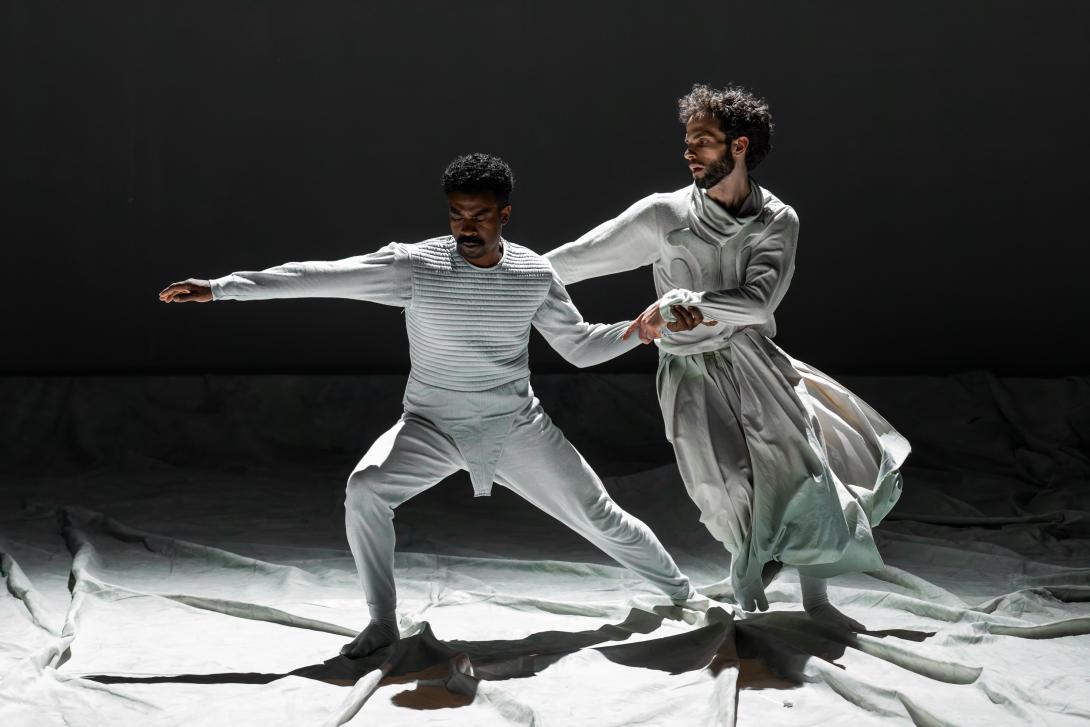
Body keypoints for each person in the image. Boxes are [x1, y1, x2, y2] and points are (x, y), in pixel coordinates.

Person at [158, 153, 706, 658]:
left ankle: (683, 593)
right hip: (431, 425)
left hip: (514, 426)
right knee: (366, 490)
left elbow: (579, 347)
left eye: (480, 216)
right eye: (457, 215)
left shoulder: (535, 274)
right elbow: (318, 276)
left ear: (504, 215)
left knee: (599, 516)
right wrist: (222, 288)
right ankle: (381, 621)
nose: (467, 227)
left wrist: (642, 329)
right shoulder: (415, 266)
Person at [545, 85, 911, 629]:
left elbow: (759, 301)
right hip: (689, 372)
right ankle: (751, 560)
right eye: (688, 141)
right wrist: (498, 276)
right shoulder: (664, 214)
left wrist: (685, 301)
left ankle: (816, 600)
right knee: (721, 488)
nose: (689, 152)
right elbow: (572, 260)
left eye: (703, 141)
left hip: (754, 361)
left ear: (738, 146)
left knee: (803, 472)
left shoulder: (776, 219)